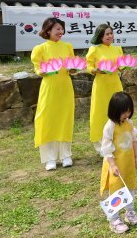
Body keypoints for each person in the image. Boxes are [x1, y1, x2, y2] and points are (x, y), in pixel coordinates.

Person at [31, 17, 76, 171]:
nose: (60, 32)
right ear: (48, 30)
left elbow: (72, 65)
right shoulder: (41, 49)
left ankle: (65, 155)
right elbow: (37, 68)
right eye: (57, 29)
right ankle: (49, 158)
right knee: (47, 120)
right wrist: (43, 71)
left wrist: (73, 69)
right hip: (49, 88)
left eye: (62, 29)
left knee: (65, 119)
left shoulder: (67, 46)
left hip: (65, 86)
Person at [99, 92, 137, 234]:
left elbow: (133, 140)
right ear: (114, 111)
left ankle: (130, 212)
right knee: (116, 192)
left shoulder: (129, 124)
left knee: (130, 187)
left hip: (128, 164)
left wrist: (136, 156)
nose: (127, 115)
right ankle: (114, 219)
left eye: (129, 111)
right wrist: (112, 165)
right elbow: (106, 148)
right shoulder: (110, 126)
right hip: (115, 165)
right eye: (124, 112)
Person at [86, 24, 124, 155]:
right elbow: (88, 65)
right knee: (101, 112)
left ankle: (117, 141)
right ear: (100, 36)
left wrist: (124, 66)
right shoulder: (94, 50)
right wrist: (94, 70)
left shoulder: (117, 49)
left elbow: (120, 65)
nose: (109, 36)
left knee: (118, 110)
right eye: (106, 34)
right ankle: (102, 145)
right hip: (101, 85)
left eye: (111, 33)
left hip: (115, 83)